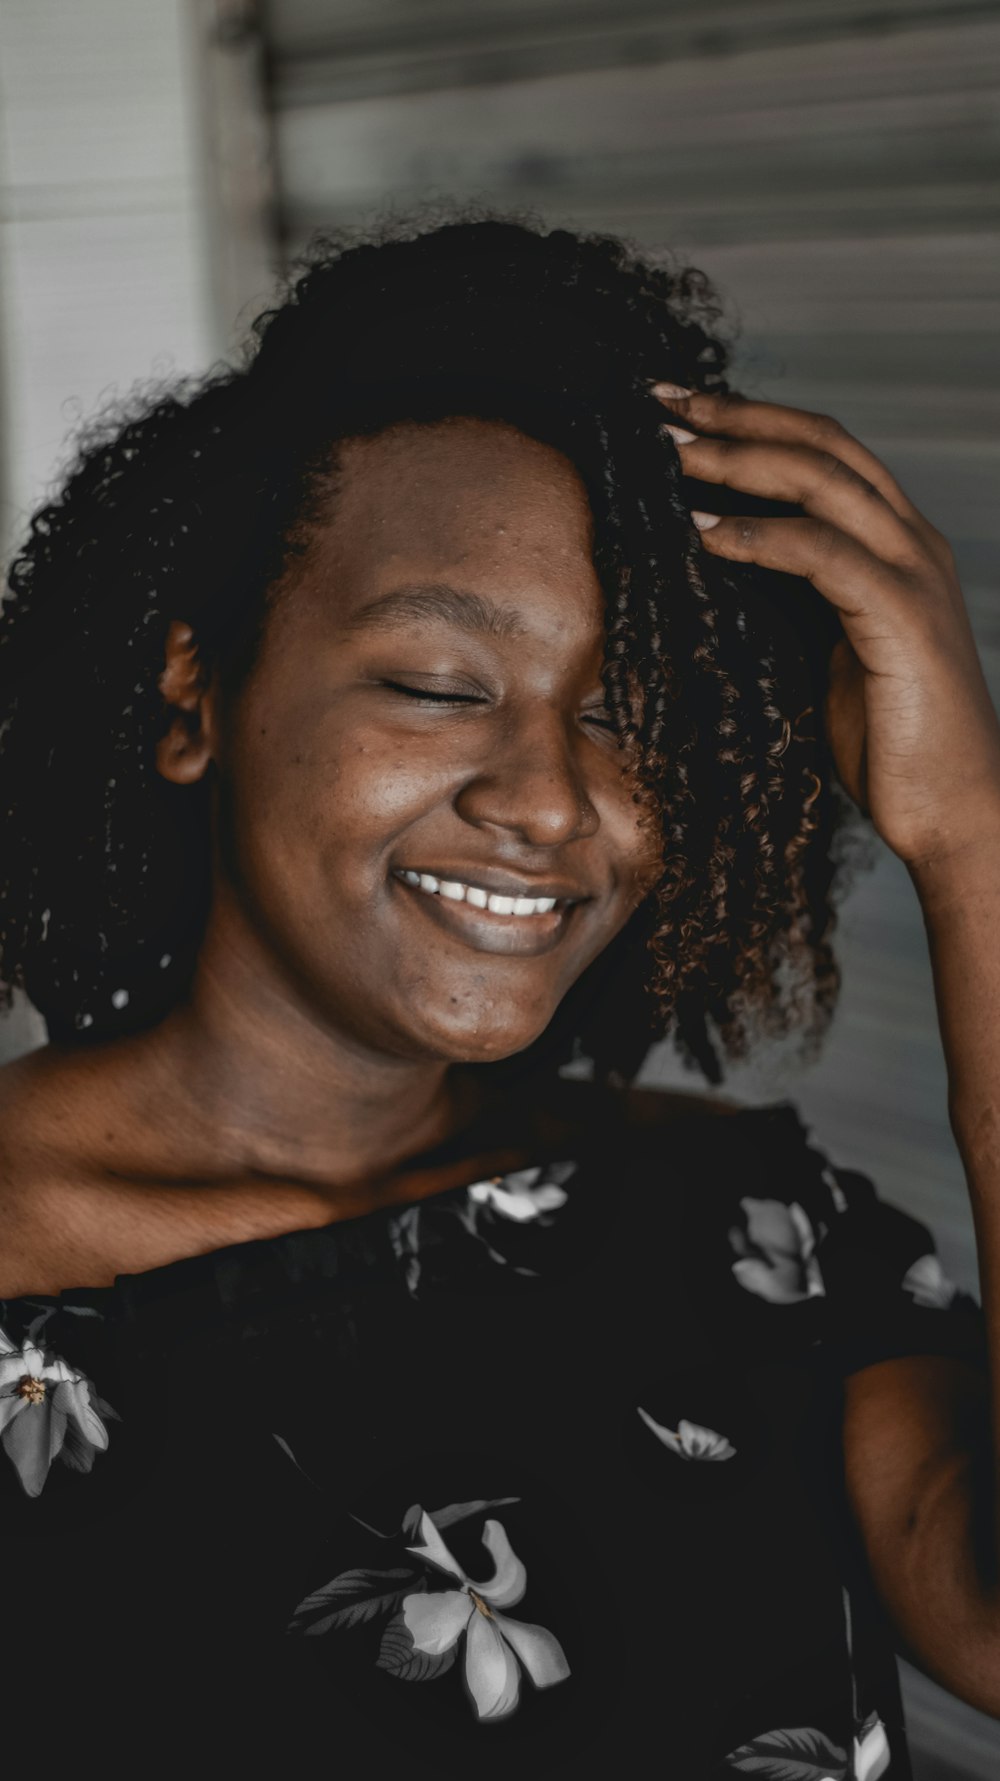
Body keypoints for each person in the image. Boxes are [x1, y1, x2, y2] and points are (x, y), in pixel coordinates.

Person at [0, 207, 997, 1778]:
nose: (550, 799)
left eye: (627, 717)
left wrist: (971, 848)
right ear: (195, 694)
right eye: (438, 685)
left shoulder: (754, 1227)